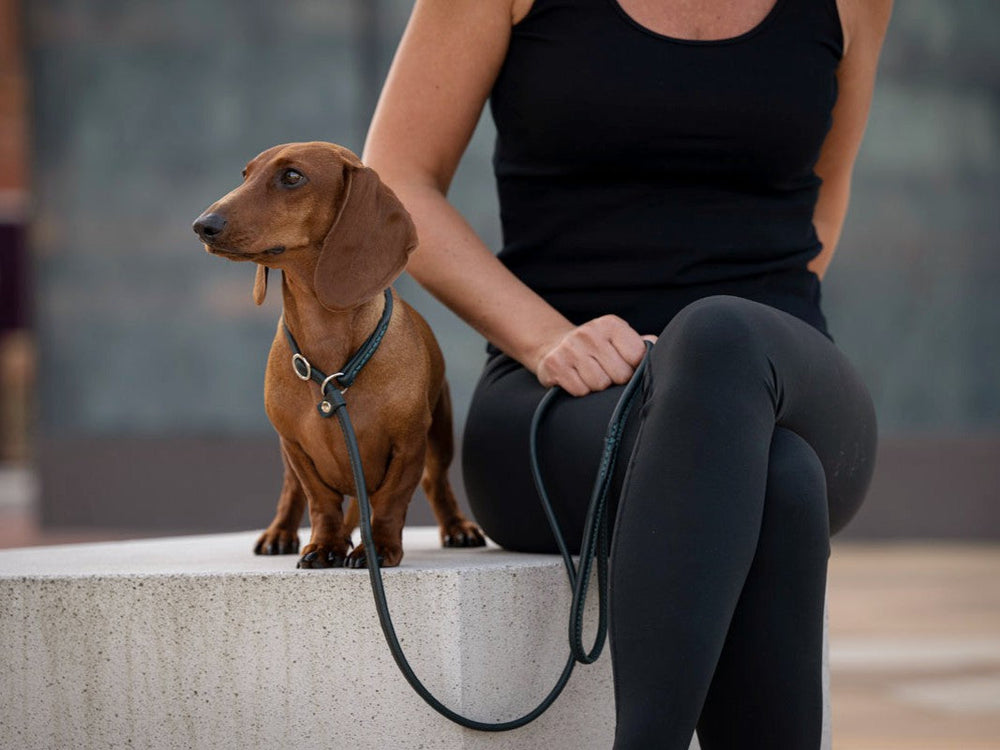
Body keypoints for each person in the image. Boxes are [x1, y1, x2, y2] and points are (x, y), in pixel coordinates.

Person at [363, 0, 891, 746]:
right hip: (562, 402)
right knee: (779, 479)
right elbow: (397, 179)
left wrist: (724, 375)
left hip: (785, 384)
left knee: (716, 338)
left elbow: (823, 201)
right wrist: (547, 338)